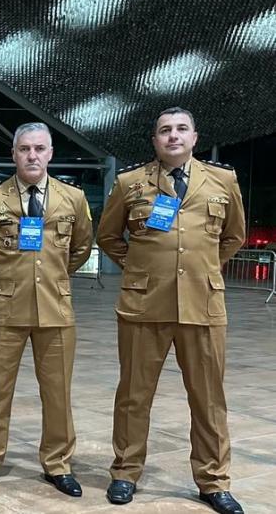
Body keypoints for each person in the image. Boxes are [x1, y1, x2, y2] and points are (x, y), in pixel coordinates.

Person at [97, 107, 245, 514]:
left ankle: (213, 481)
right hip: (144, 306)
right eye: (165, 130)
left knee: (208, 398)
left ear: (195, 137)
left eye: (181, 129)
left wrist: (205, 268)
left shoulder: (222, 179)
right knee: (133, 395)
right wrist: (142, 268)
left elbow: (234, 235)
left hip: (203, 305)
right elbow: (109, 236)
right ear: (155, 140)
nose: (173, 136)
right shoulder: (130, 182)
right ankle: (125, 473)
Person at [0, 122, 93, 496]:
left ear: (50, 153)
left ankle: (58, 463)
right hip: (6, 309)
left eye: (39, 149)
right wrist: (4, 278)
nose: (32, 155)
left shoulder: (73, 198)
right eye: (24, 149)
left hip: (55, 308)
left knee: (57, 391)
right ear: (14, 154)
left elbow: (82, 248)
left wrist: (53, 276)